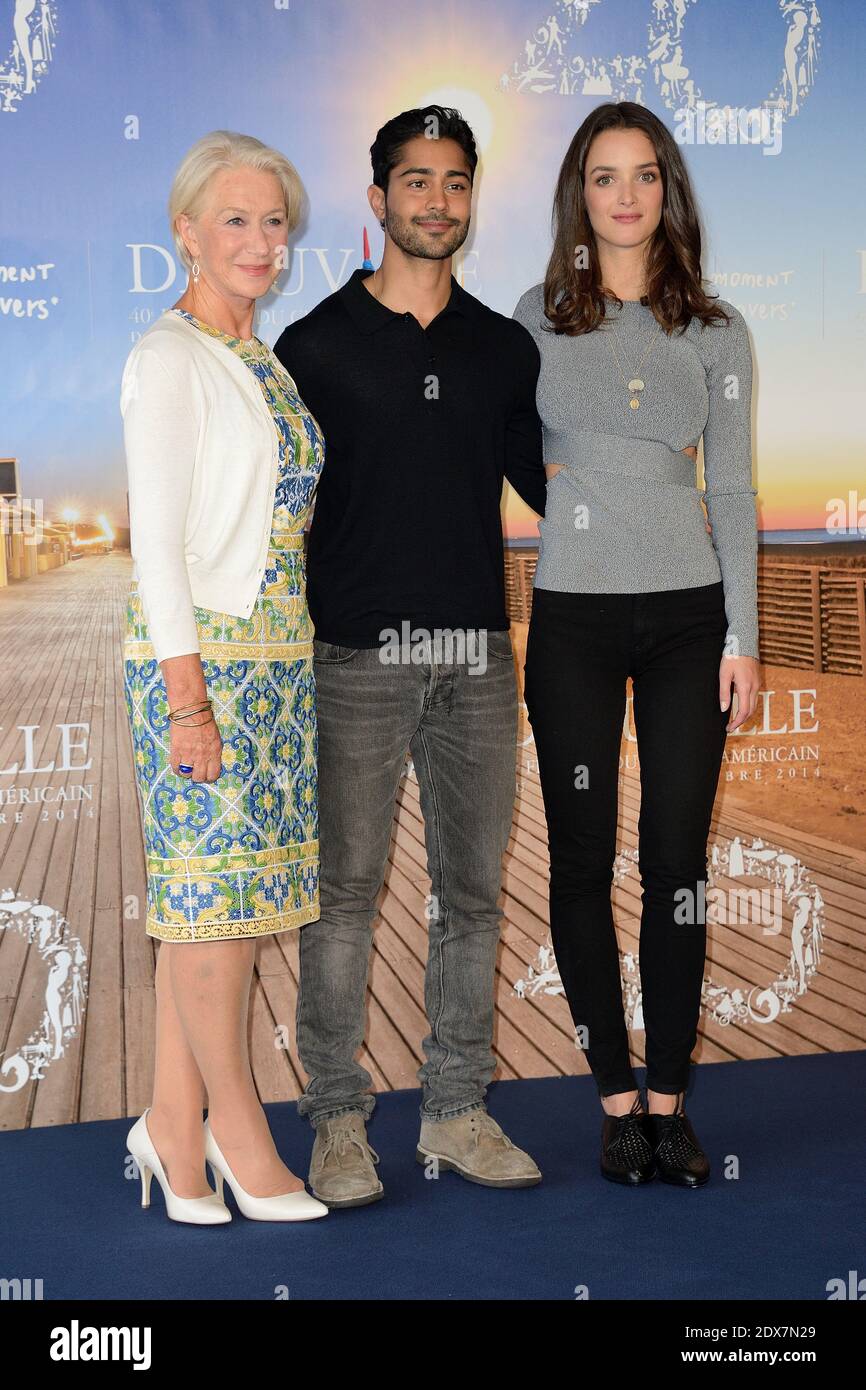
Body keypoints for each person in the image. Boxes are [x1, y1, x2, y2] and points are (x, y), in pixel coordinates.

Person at [273, 106, 546, 1206]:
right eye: (414, 181)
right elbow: (272, 515)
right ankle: (338, 1122)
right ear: (377, 198)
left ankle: (453, 1110)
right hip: (354, 659)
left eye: (454, 183)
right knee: (343, 898)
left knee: (471, 899)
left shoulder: (501, 347)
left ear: (470, 200)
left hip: (477, 655)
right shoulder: (313, 346)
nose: (436, 201)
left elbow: (548, 491)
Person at [512, 102, 761, 1188]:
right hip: (569, 613)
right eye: (603, 176)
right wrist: (567, 489)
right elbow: (495, 441)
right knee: (577, 858)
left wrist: (743, 633)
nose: (624, 195)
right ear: (579, 192)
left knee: (674, 863)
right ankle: (613, 1099)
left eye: (644, 175)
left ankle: (668, 1101)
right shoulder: (534, 315)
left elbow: (739, 488)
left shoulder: (714, 327)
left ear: (667, 190)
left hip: (684, 621)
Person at [121, 130, 327, 1224]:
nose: (259, 240)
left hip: (276, 658)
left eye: (274, 220)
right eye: (235, 219)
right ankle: (239, 1132)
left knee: (222, 912)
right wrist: (187, 698)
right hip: (200, 658)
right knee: (210, 907)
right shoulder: (167, 356)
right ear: (187, 232)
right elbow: (155, 542)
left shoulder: (261, 354)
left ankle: (167, 1121)